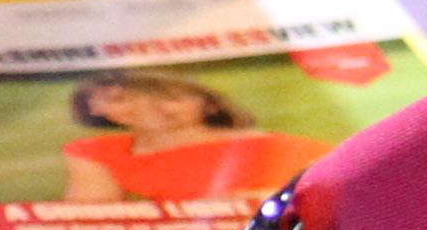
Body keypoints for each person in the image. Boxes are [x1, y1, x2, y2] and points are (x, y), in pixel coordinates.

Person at [54, 70, 318, 214]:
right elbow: (89, 217)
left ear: (209, 102)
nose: (149, 108)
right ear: (94, 109)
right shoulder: (95, 152)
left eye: (169, 97)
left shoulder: (285, 148)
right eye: (121, 99)